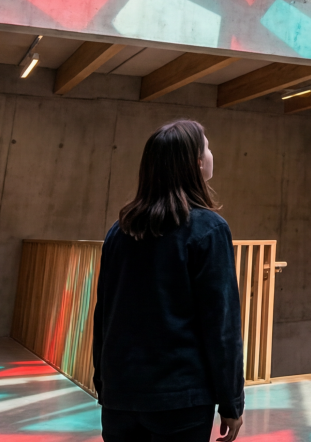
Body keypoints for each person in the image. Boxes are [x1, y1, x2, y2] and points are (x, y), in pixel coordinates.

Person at [93, 120, 243, 442]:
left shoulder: (119, 231)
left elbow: (104, 315)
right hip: (181, 399)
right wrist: (232, 400)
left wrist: (104, 384)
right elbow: (221, 325)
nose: (211, 154)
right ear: (197, 162)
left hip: (120, 395)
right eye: (207, 147)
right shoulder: (209, 229)